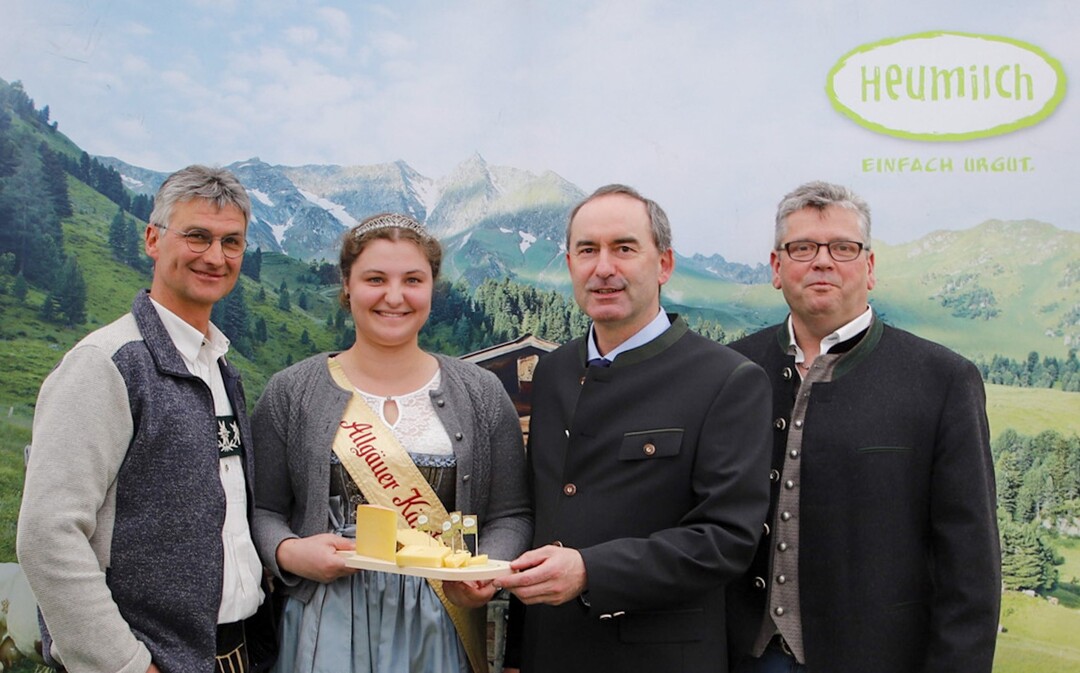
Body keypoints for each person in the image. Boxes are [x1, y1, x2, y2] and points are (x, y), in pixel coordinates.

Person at [726, 180, 1001, 673]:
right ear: (776, 267)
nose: (823, 261)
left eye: (843, 248)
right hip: (742, 656)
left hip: (878, 658)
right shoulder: (732, 368)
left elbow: (970, 561)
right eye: (803, 247)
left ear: (869, 268)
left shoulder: (942, 379)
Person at [496, 184, 773, 672]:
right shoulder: (556, 371)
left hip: (659, 658)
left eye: (624, 248)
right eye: (588, 251)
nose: (604, 268)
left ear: (664, 264)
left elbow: (726, 539)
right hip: (551, 652)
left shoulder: (727, 379)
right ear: (569, 267)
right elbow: (545, 509)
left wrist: (590, 571)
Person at [17, 165, 275, 672]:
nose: (215, 257)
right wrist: (126, 664)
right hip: (150, 660)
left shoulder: (223, 370)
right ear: (153, 239)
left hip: (236, 652)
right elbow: (47, 534)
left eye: (232, 242)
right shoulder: (107, 364)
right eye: (197, 236)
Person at [251, 213, 531, 673]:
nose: (394, 297)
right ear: (347, 285)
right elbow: (261, 509)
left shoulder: (480, 393)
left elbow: (512, 513)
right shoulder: (292, 391)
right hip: (325, 619)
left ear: (432, 288)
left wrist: (486, 570)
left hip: (443, 620)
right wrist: (289, 552)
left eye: (413, 280)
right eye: (375, 279)